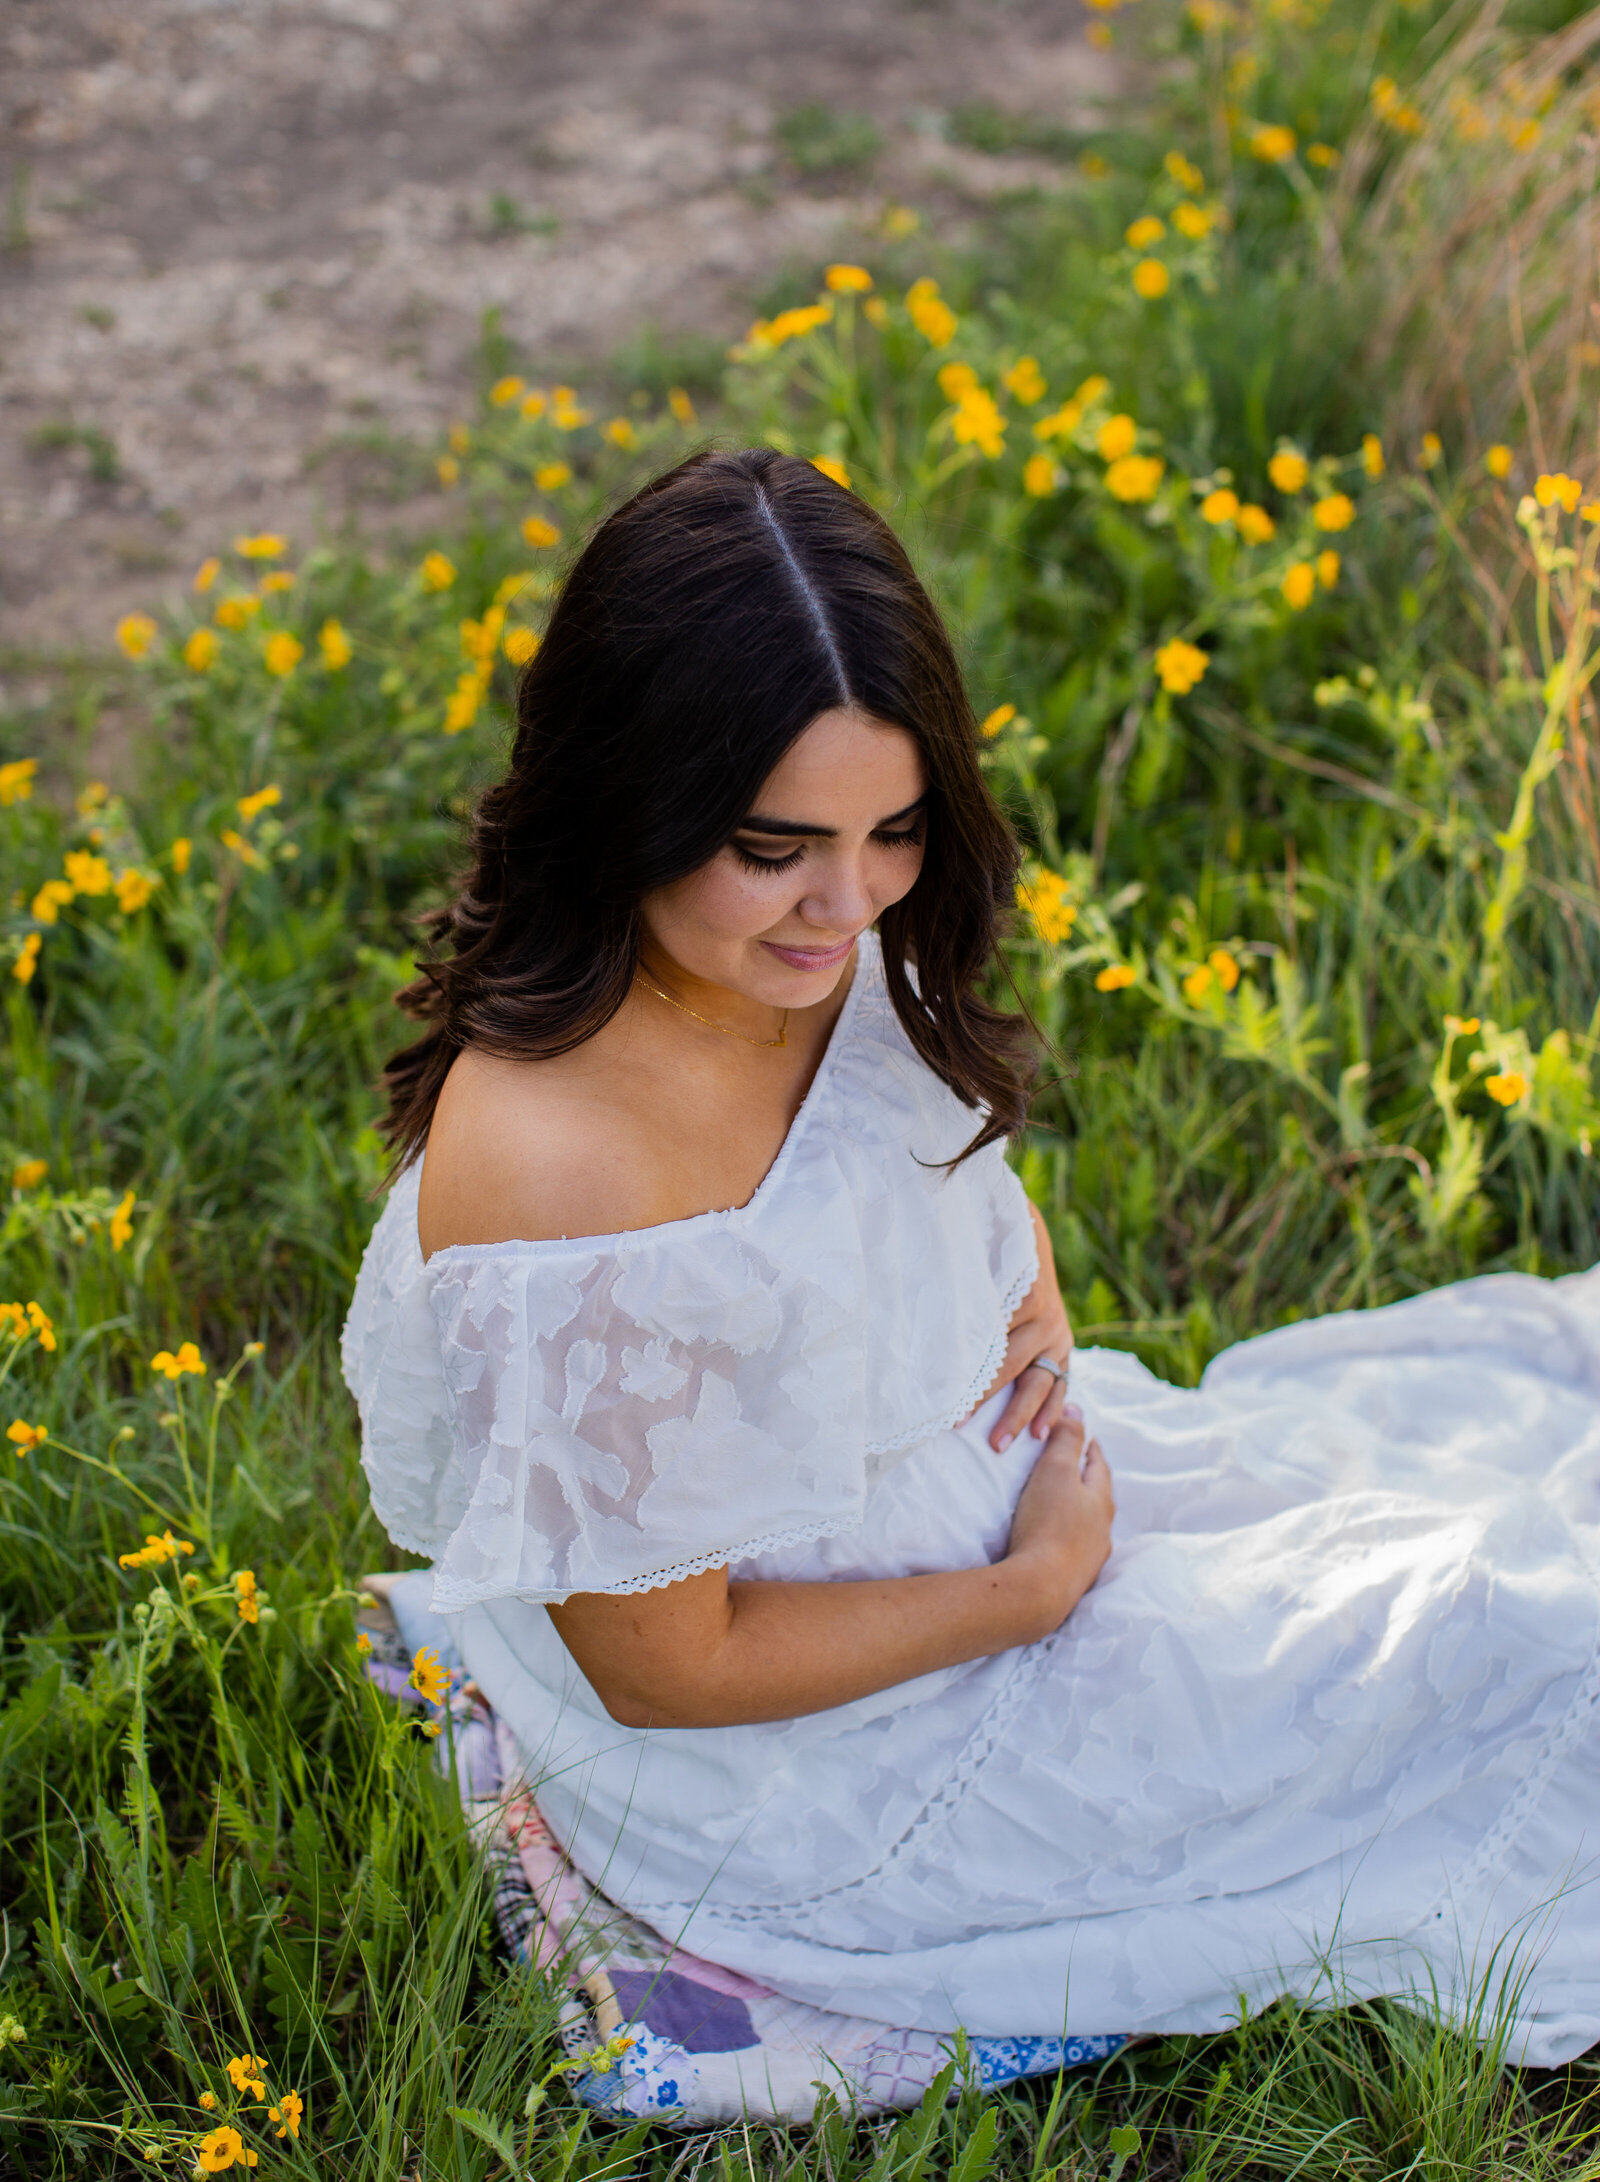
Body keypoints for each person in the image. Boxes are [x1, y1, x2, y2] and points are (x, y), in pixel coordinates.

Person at [343, 447, 1600, 2067]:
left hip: (996, 1507)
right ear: (628, 798)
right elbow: (671, 1668)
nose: (844, 904)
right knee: (1521, 1645)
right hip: (831, 1749)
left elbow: (929, 1154)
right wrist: (1026, 1591)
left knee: (1485, 1483)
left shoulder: (791, 947)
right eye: (774, 843)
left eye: (897, 830)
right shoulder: (567, 1169)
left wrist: (1031, 1300)